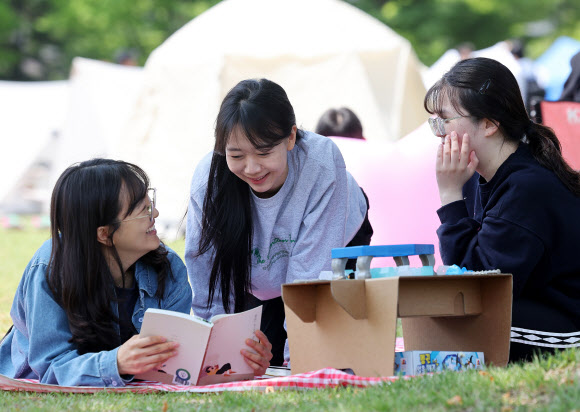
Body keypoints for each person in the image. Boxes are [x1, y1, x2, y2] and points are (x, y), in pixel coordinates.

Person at [186, 79, 372, 366]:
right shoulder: (208, 181)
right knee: (257, 356)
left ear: (290, 138)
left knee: (325, 355)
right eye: (236, 155)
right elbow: (207, 273)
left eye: (263, 153)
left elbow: (310, 274)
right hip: (264, 269)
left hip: (336, 239)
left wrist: (301, 359)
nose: (251, 168)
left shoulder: (321, 164)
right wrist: (212, 353)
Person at [425, 57, 580, 362]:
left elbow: (481, 284)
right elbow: (467, 280)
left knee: (458, 318)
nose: (440, 133)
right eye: (435, 123)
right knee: (441, 311)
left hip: (568, 323)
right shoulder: (477, 177)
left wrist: (450, 195)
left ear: (489, 123)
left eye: (445, 120)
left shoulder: (527, 187)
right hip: (527, 306)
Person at [0, 159, 193, 386]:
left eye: (150, 204)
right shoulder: (49, 268)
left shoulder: (168, 267)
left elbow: (175, 359)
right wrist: (116, 363)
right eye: (144, 210)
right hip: (30, 381)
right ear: (104, 234)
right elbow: (50, 368)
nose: (156, 213)